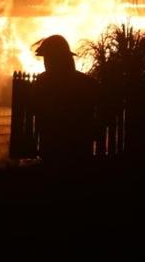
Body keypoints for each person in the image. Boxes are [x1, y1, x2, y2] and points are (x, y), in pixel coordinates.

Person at [30, 35, 101, 168]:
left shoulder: (42, 83)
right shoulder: (88, 83)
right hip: (80, 149)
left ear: (56, 60)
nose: (46, 62)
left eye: (48, 58)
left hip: (52, 148)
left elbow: (35, 109)